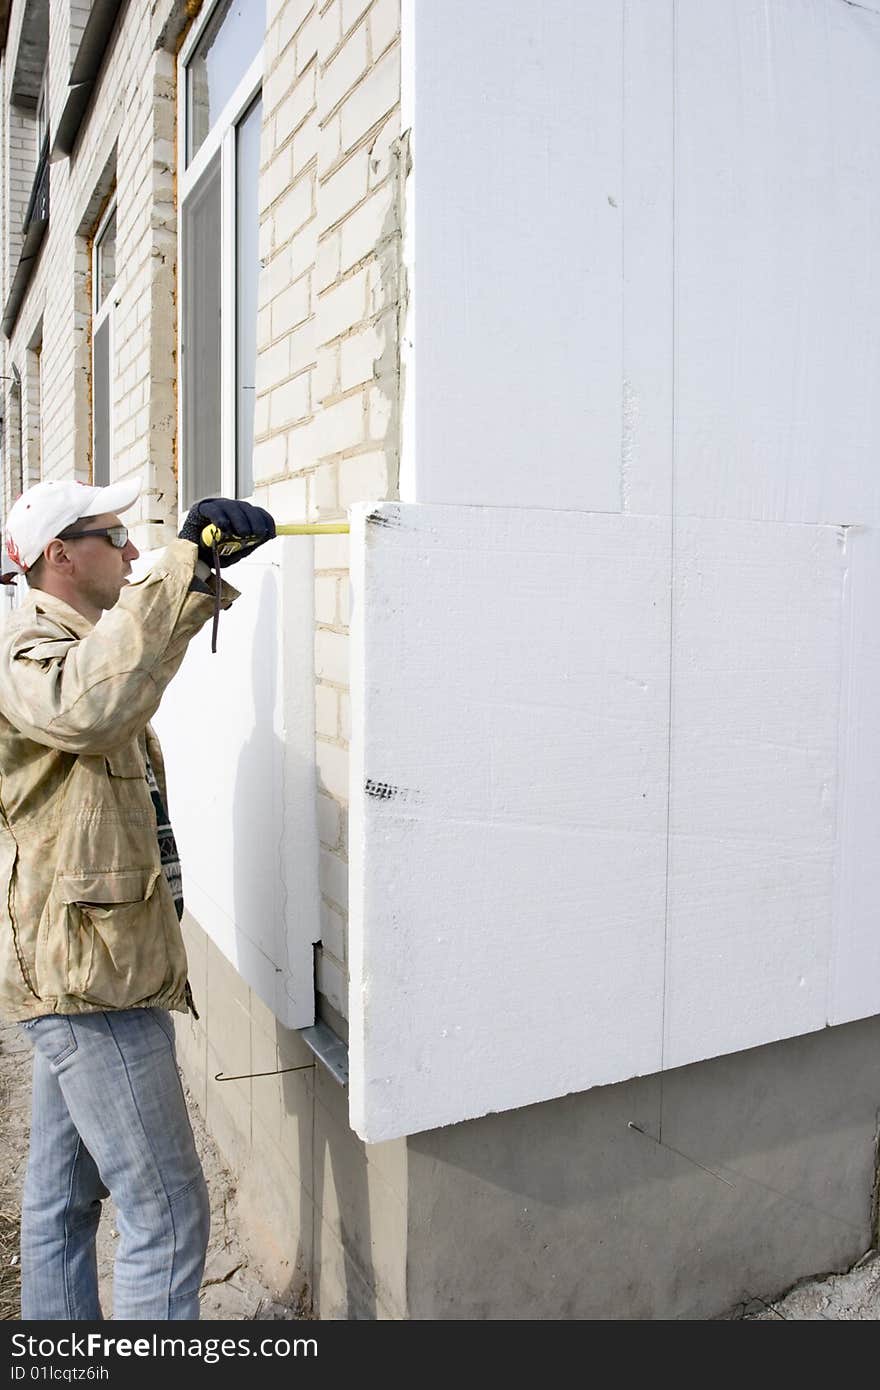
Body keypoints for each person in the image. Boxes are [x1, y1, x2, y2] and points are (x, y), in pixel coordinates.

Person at [0, 478, 274, 1320]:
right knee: (168, 1212)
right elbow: (91, 707)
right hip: (93, 984)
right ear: (60, 555)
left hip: (78, 968)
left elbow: (126, 668)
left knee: (61, 1203)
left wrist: (191, 583)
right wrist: (178, 566)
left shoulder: (74, 636)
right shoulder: (24, 651)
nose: (130, 551)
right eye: (112, 538)